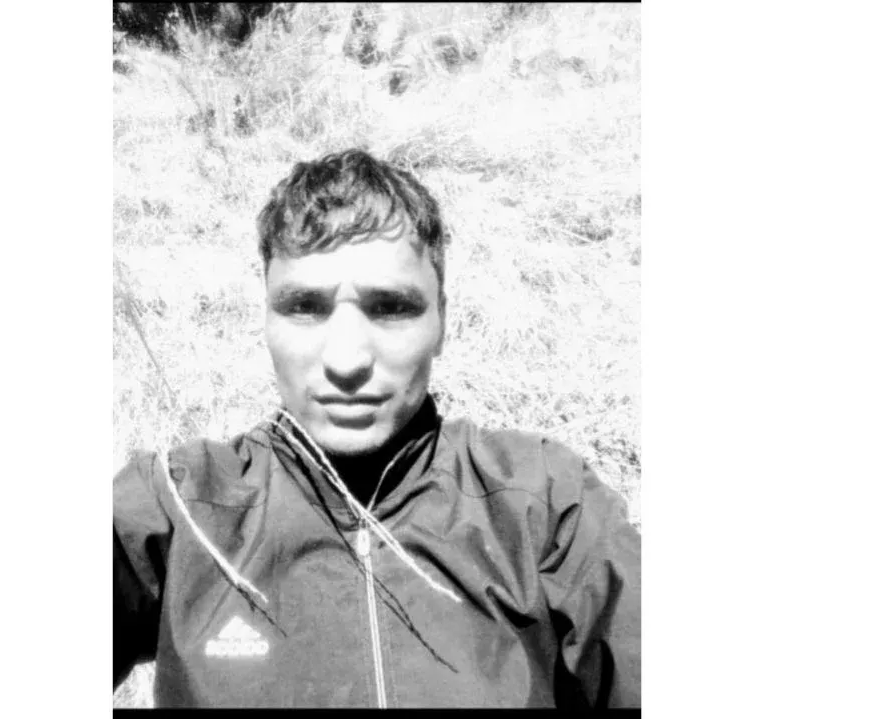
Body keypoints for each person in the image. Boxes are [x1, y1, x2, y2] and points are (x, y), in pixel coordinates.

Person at [113, 148, 641, 708]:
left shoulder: (545, 504)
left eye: (390, 308)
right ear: (265, 319)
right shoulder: (179, 507)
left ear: (443, 321)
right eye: (305, 307)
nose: (346, 360)